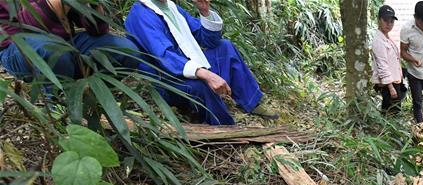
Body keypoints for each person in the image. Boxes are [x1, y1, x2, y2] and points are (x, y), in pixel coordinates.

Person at [125, 0, 278, 125]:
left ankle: (251, 102)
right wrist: (204, 74)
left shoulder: (171, 7)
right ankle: (223, 126)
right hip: (166, 80)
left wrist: (205, 12)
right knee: (202, 85)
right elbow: (164, 56)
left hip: (186, 64)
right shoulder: (141, 14)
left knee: (225, 47)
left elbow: (208, 40)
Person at [1, 0, 140, 82]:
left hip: (65, 42)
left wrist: (94, 6)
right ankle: (57, 104)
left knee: (126, 50)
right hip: (16, 48)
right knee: (54, 53)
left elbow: (98, 30)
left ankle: (90, 96)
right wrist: (58, 3)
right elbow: (22, 27)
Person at [370, 4, 405, 113]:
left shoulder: (386, 37)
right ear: (379, 20)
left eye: (391, 21)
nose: (389, 24)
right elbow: (382, 65)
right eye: (386, 20)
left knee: (394, 111)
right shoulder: (378, 41)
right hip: (388, 83)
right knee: (391, 112)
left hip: (394, 80)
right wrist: (391, 88)